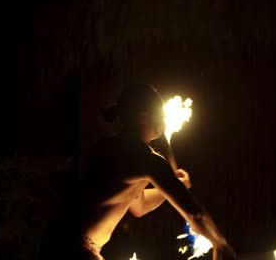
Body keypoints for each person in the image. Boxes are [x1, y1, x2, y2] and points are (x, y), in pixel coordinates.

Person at [40, 84, 235, 260]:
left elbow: (138, 205)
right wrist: (220, 244)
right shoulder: (146, 159)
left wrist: (175, 186)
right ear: (143, 115)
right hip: (74, 251)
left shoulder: (107, 148)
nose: (164, 120)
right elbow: (196, 214)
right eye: (161, 114)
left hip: (60, 243)